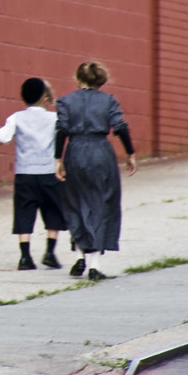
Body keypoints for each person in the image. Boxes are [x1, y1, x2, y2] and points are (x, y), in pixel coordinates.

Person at [54, 61, 137, 281]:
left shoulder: (65, 101)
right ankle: (95, 264)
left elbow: (61, 130)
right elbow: (120, 126)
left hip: (75, 151)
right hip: (101, 152)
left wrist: (57, 159)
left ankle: (81, 253)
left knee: (75, 202)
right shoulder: (108, 101)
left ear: (77, 77)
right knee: (102, 204)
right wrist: (130, 153)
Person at [0, 78, 67, 271]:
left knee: (24, 212)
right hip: (48, 173)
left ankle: (25, 256)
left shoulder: (16, 118)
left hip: (25, 174)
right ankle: (49, 252)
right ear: (46, 97)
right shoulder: (55, 119)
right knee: (53, 210)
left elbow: (0, 139)